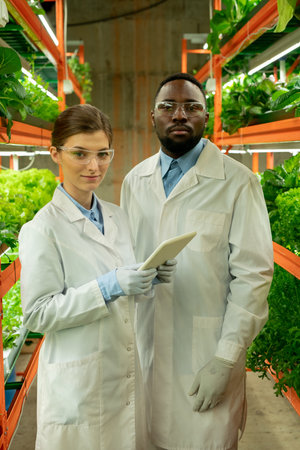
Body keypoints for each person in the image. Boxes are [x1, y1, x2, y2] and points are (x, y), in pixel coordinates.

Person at [120, 73, 274, 450]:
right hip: (145, 348)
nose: (179, 115)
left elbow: (253, 276)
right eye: (168, 106)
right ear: (151, 116)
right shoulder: (134, 182)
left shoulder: (238, 183)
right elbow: (124, 259)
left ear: (207, 118)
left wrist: (225, 359)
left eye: (192, 106)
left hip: (206, 351)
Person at [19, 104, 176, 450]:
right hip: (78, 385)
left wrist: (149, 276)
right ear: (55, 154)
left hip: (121, 373)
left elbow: (125, 287)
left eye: (103, 154)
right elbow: (37, 313)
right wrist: (107, 286)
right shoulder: (42, 229)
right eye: (80, 154)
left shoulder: (118, 216)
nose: (94, 166)